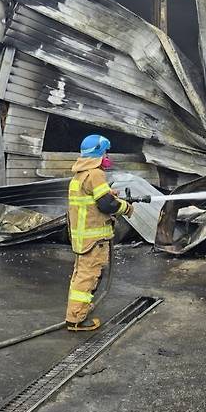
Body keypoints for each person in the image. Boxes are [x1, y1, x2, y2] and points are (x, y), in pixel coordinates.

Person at [65, 134, 133, 331]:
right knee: (89, 275)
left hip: (82, 239)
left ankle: (77, 311)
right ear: (99, 153)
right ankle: (76, 318)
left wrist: (110, 195)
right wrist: (126, 208)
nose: (107, 157)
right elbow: (106, 205)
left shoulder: (79, 175)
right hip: (94, 239)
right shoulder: (95, 173)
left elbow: (94, 199)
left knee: (80, 275)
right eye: (106, 152)